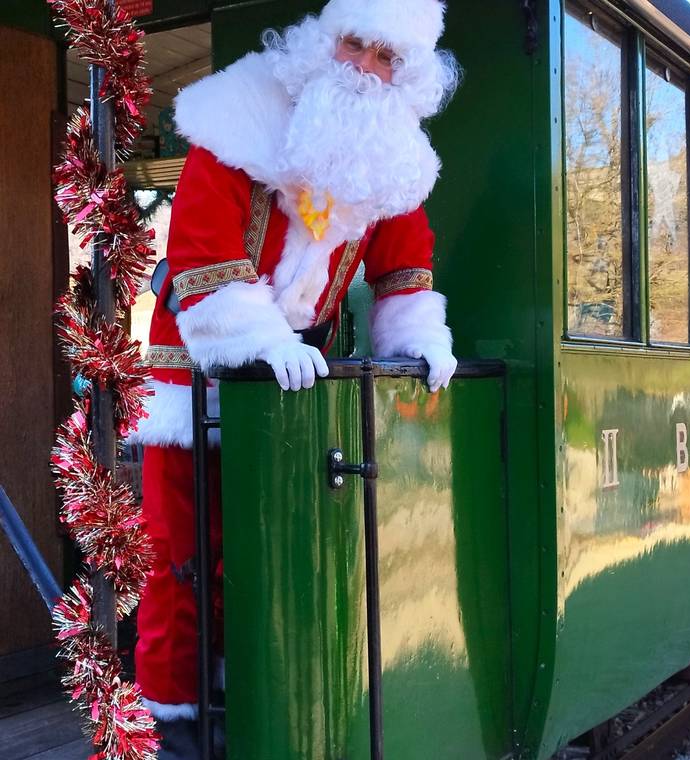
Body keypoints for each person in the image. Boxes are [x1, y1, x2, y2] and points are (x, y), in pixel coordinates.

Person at [128, 1, 459, 755]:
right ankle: (173, 732)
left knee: (272, 556)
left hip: (295, 384)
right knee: (177, 557)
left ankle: (263, 711)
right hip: (197, 374)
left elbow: (405, 265)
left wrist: (419, 339)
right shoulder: (238, 119)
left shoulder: (392, 150)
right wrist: (259, 339)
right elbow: (202, 255)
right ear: (321, 43)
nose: (367, 68)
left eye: (387, 57)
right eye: (355, 45)